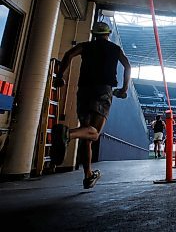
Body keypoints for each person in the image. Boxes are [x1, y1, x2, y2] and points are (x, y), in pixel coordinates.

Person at [50, 21, 131, 189]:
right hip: (103, 90)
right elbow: (127, 65)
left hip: (84, 90)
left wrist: (59, 75)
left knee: (86, 135)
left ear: (94, 34)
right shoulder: (114, 49)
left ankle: (88, 175)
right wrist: (124, 89)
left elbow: (68, 54)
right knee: (94, 134)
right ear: (108, 34)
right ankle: (68, 134)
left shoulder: (85, 46)